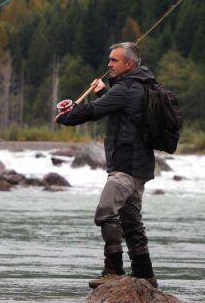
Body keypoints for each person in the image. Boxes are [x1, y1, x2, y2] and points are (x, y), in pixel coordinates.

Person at [55, 42, 158, 289]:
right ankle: (145, 275)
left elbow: (92, 111)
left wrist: (66, 117)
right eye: (109, 59)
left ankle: (112, 271)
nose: (109, 64)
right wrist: (104, 91)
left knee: (105, 211)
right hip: (140, 166)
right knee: (131, 220)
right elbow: (121, 111)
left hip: (125, 165)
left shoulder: (126, 88)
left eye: (114, 60)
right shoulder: (141, 86)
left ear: (129, 64)